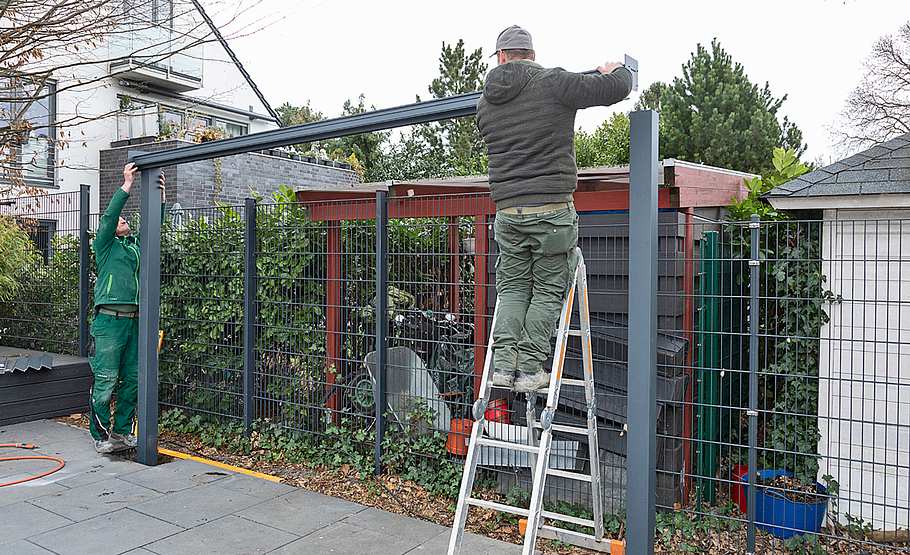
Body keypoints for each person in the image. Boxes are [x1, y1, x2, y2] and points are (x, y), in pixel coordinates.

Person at [476, 25, 633, 393]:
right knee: (547, 291)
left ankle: (503, 366)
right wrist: (616, 71)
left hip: (508, 211)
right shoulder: (554, 83)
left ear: (500, 57)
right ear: (531, 54)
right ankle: (530, 369)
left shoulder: (485, 103)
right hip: (551, 211)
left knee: (513, 289)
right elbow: (616, 89)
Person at [89, 162, 165, 453]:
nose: (121, 220)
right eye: (118, 219)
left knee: (133, 379)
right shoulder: (105, 246)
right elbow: (108, 217)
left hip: (135, 321)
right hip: (109, 322)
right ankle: (100, 435)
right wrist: (127, 184)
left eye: (124, 219)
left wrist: (160, 197)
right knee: (106, 379)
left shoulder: (136, 247)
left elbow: (157, 227)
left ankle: (121, 434)